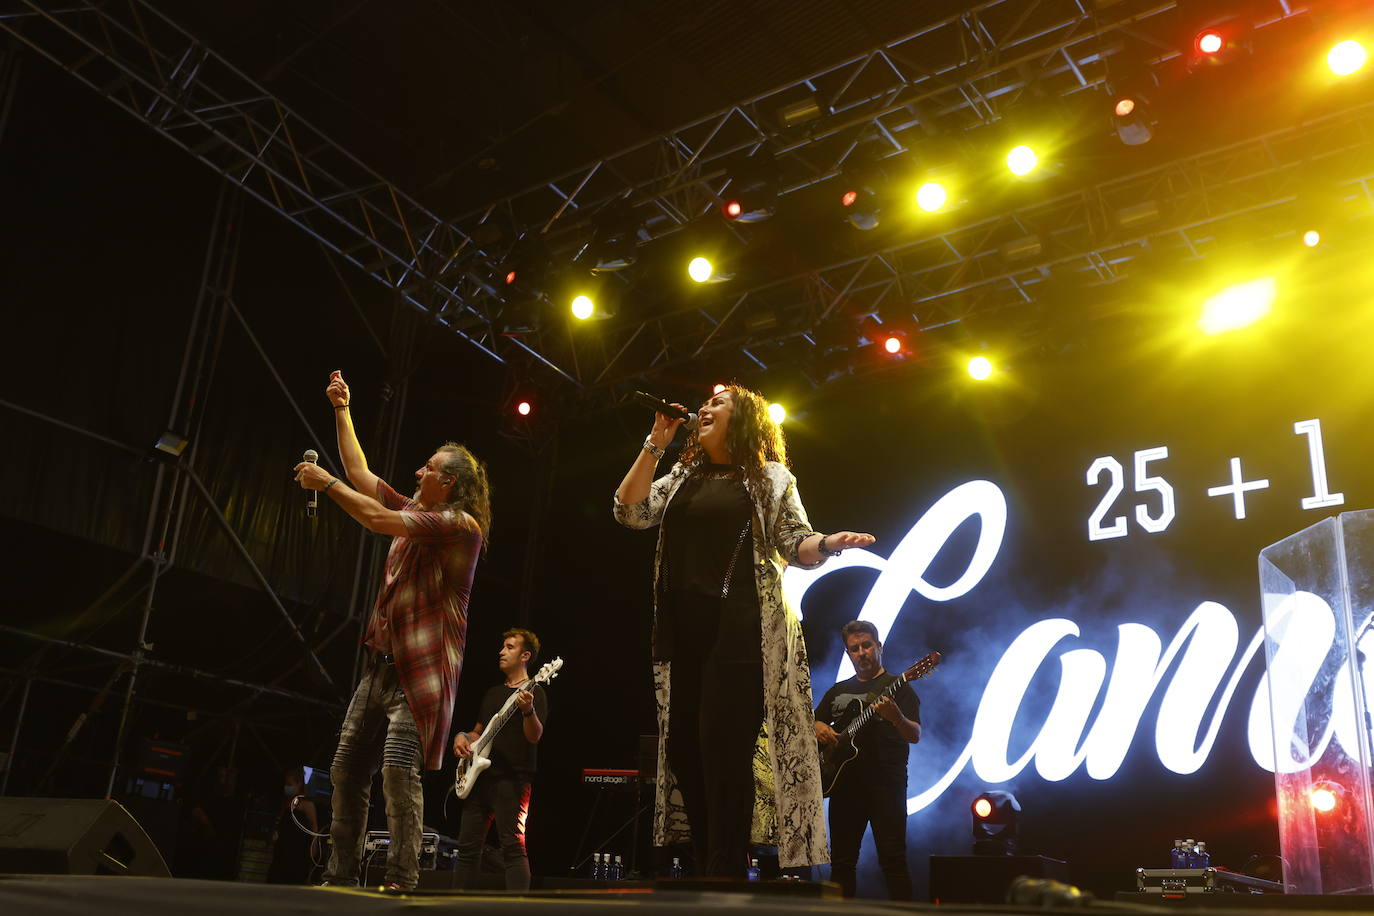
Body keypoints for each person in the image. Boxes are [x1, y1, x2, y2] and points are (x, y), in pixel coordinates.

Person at [613, 385, 875, 877]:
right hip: (684, 631)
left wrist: (829, 543)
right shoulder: (685, 475)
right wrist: (656, 441)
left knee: (722, 750)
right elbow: (631, 512)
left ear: (745, 421)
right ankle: (712, 861)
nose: (705, 408)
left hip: (740, 633)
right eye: (705, 404)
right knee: (685, 748)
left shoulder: (769, 477)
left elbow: (795, 540)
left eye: (719, 404)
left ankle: (724, 870)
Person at [294, 370, 491, 891]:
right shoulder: (417, 508)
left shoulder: (457, 525)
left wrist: (325, 484)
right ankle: (339, 873)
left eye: (428, 469)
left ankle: (402, 875)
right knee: (345, 771)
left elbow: (374, 519)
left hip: (418, 674)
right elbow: (359, 473)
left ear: (448, 482)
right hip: (380, 667)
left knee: (398, 774)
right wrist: (341, 408)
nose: (417, 473)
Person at [814, 620, 921, 900]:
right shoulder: (837, 691)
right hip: (844, 786)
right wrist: (817, 726)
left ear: (879, 647)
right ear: (848, 654)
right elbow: (813, 721)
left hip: (886, 786)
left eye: (867, 645)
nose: (861, 653)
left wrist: (896, 717)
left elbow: (915, 735)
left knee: (893, 861)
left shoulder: (899, 687)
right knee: (841, 864)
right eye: (854, 648)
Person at [451, 628, 549, 891]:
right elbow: (478, 732)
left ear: (525, 655)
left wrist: (528, 711)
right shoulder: (493, 692)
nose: (501, 651)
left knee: (512, 847)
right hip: (480, 779)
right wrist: (462, 736)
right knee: (467, 849)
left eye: (509, 647)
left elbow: (534, 736)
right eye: (503, 646)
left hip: (513, 780)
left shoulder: (535, 691)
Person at [267, 766, 320, 884]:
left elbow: (314, 827)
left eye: (289, 784)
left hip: (298, 853)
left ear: (298, 784)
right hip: (282, 851)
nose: (287, 787)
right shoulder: (286, 803)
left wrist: (313, 847)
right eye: (286, 784)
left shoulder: (307, 804)